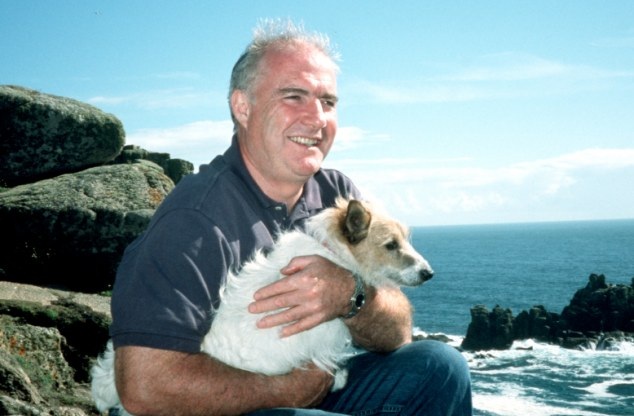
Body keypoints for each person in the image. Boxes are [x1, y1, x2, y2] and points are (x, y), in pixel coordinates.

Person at [109, 20, 472, 416]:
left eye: (328, 102)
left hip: (306, 377)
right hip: (222, 398)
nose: (316, 118)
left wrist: (350, 295)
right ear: (243, 107)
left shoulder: (337, 194)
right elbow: (144, 389)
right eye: (294, 96)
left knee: (442, 366)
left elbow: (398, 333)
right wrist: (289, 390)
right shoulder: (195, 219)